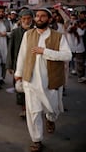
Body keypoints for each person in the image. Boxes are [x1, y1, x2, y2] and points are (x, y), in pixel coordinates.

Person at [14, 8, 72, 152]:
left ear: (50, 19)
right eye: (37, 16)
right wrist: (19, 72)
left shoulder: (58, 37)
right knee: (33, 112)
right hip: (31, 79)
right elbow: (22, 55)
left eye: (43, 16)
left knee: (52, 109)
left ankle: (51, 119)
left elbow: (67, 56)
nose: (39, 18)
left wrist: (44, 52)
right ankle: (37, 140)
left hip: (51, 81)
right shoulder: (28, 34)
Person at [6, 9, 34, 118]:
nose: (26, 21)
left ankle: (30, 107)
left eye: (28, 19)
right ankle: (23, 107)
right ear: (20, 20)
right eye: (24, 19)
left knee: (31, 86)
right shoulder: (15, 32)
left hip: (33, 64)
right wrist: (9, 65)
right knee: (19, 86)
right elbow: (10, 49)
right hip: (19, 64)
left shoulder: (36, 31)